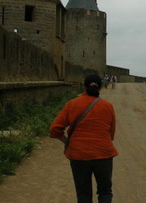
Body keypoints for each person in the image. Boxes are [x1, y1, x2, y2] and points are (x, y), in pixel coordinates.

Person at [50, 74, 119, 203]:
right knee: (105, 191)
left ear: (84, 86)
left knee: (84, 195)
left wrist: (66, 141)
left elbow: (54, 129)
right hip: (103, 153)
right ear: (100, 87)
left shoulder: (72, 104)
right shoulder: (108, 106)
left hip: (78, 154)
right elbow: (111, 134)